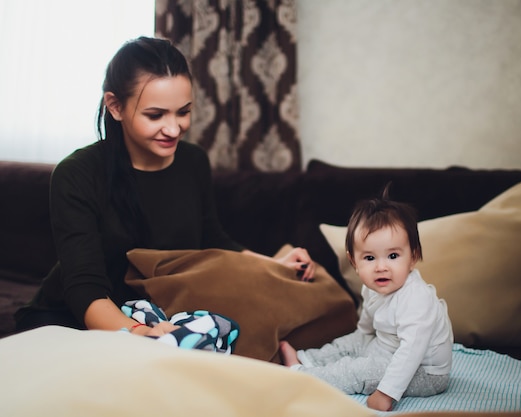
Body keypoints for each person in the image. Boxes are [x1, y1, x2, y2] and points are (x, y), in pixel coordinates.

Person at [14, 36, 315, 339]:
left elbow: (212, 240)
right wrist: (141, 334)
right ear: (115, 107)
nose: (173, 129)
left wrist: (275, 264)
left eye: (183, 112)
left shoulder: (193, 161)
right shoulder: (76, 174)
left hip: (155, 316)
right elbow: (84, 289)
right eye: (155, 115)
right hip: (74, 319)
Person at [279, 184, 453, 411]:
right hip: (386, 346)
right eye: (369, 258)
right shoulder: (373, 287)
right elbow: (367, 326)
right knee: (353, 342)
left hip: (423, 370)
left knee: (358, 371)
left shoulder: (416, 299)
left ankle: (305, 376)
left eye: (392, 255)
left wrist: (386, 393)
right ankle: (307, 358)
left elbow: (411, 352)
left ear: (413, 257)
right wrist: (358, 342)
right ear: (354, 262)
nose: (381, 267)